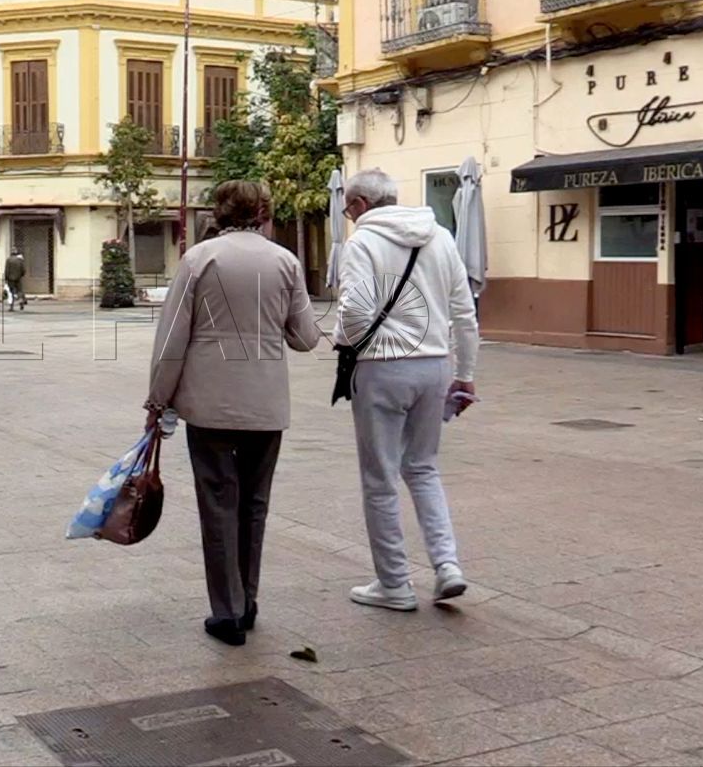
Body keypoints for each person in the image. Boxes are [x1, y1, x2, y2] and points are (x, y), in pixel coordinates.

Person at [146, 181, 321, 647]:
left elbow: (171, 340)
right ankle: (249, 599)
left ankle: (227, 611)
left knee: (219, 504)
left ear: (219, 213)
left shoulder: (199, 259)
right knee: (255, 505)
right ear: (264, 212)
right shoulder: (285, 261)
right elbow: (305, 338)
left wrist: (158, 399)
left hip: (209, 404)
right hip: (266, 403)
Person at [334, 168, 479, 611]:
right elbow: (465, 313)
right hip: (435, 366)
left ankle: (394, 584)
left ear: (359, 204)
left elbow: (356, 313)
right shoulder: (440, 237)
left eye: (347, 208)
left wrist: (342, 341)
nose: (348, 216)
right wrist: (466, 373)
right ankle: (447, 564)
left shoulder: (363, 242)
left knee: (380, 478)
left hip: (382, 367)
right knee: (423, 468)